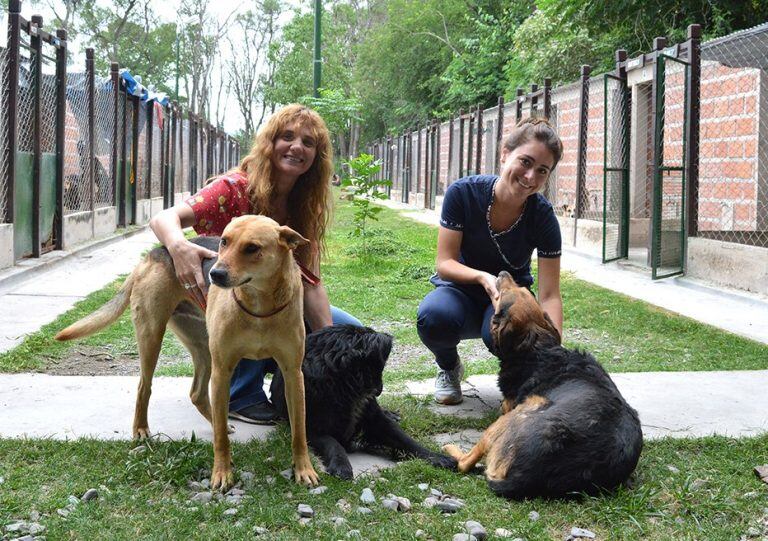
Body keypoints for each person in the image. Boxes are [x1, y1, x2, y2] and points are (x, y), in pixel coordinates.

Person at [149, 104, 361, 424]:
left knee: (351, 333)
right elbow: (164, 217)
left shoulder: (306, 207)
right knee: (253, 301)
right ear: (269, 143)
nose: (296, 147)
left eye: (308, 142)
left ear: (317, 155)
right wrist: (179, 248)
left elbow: (310, 282)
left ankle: (302, 388)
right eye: (286, 137)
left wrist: (328, 345)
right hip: (227, 296)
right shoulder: (235, 187)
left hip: (274, 296)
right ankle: (241, 393)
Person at [416, 117, 564, 405]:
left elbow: (549, 295)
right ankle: (448, 367)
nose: (531, 176)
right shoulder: (463, 193)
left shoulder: (543, 217)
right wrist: (484, 278)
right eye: (525, 161)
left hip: (508, 298)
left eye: (542, 170)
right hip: (458, 290)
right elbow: (444, 263)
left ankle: (522, 382)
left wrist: (555, 353)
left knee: (516, 331)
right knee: (433, 317)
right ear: (505, 154)